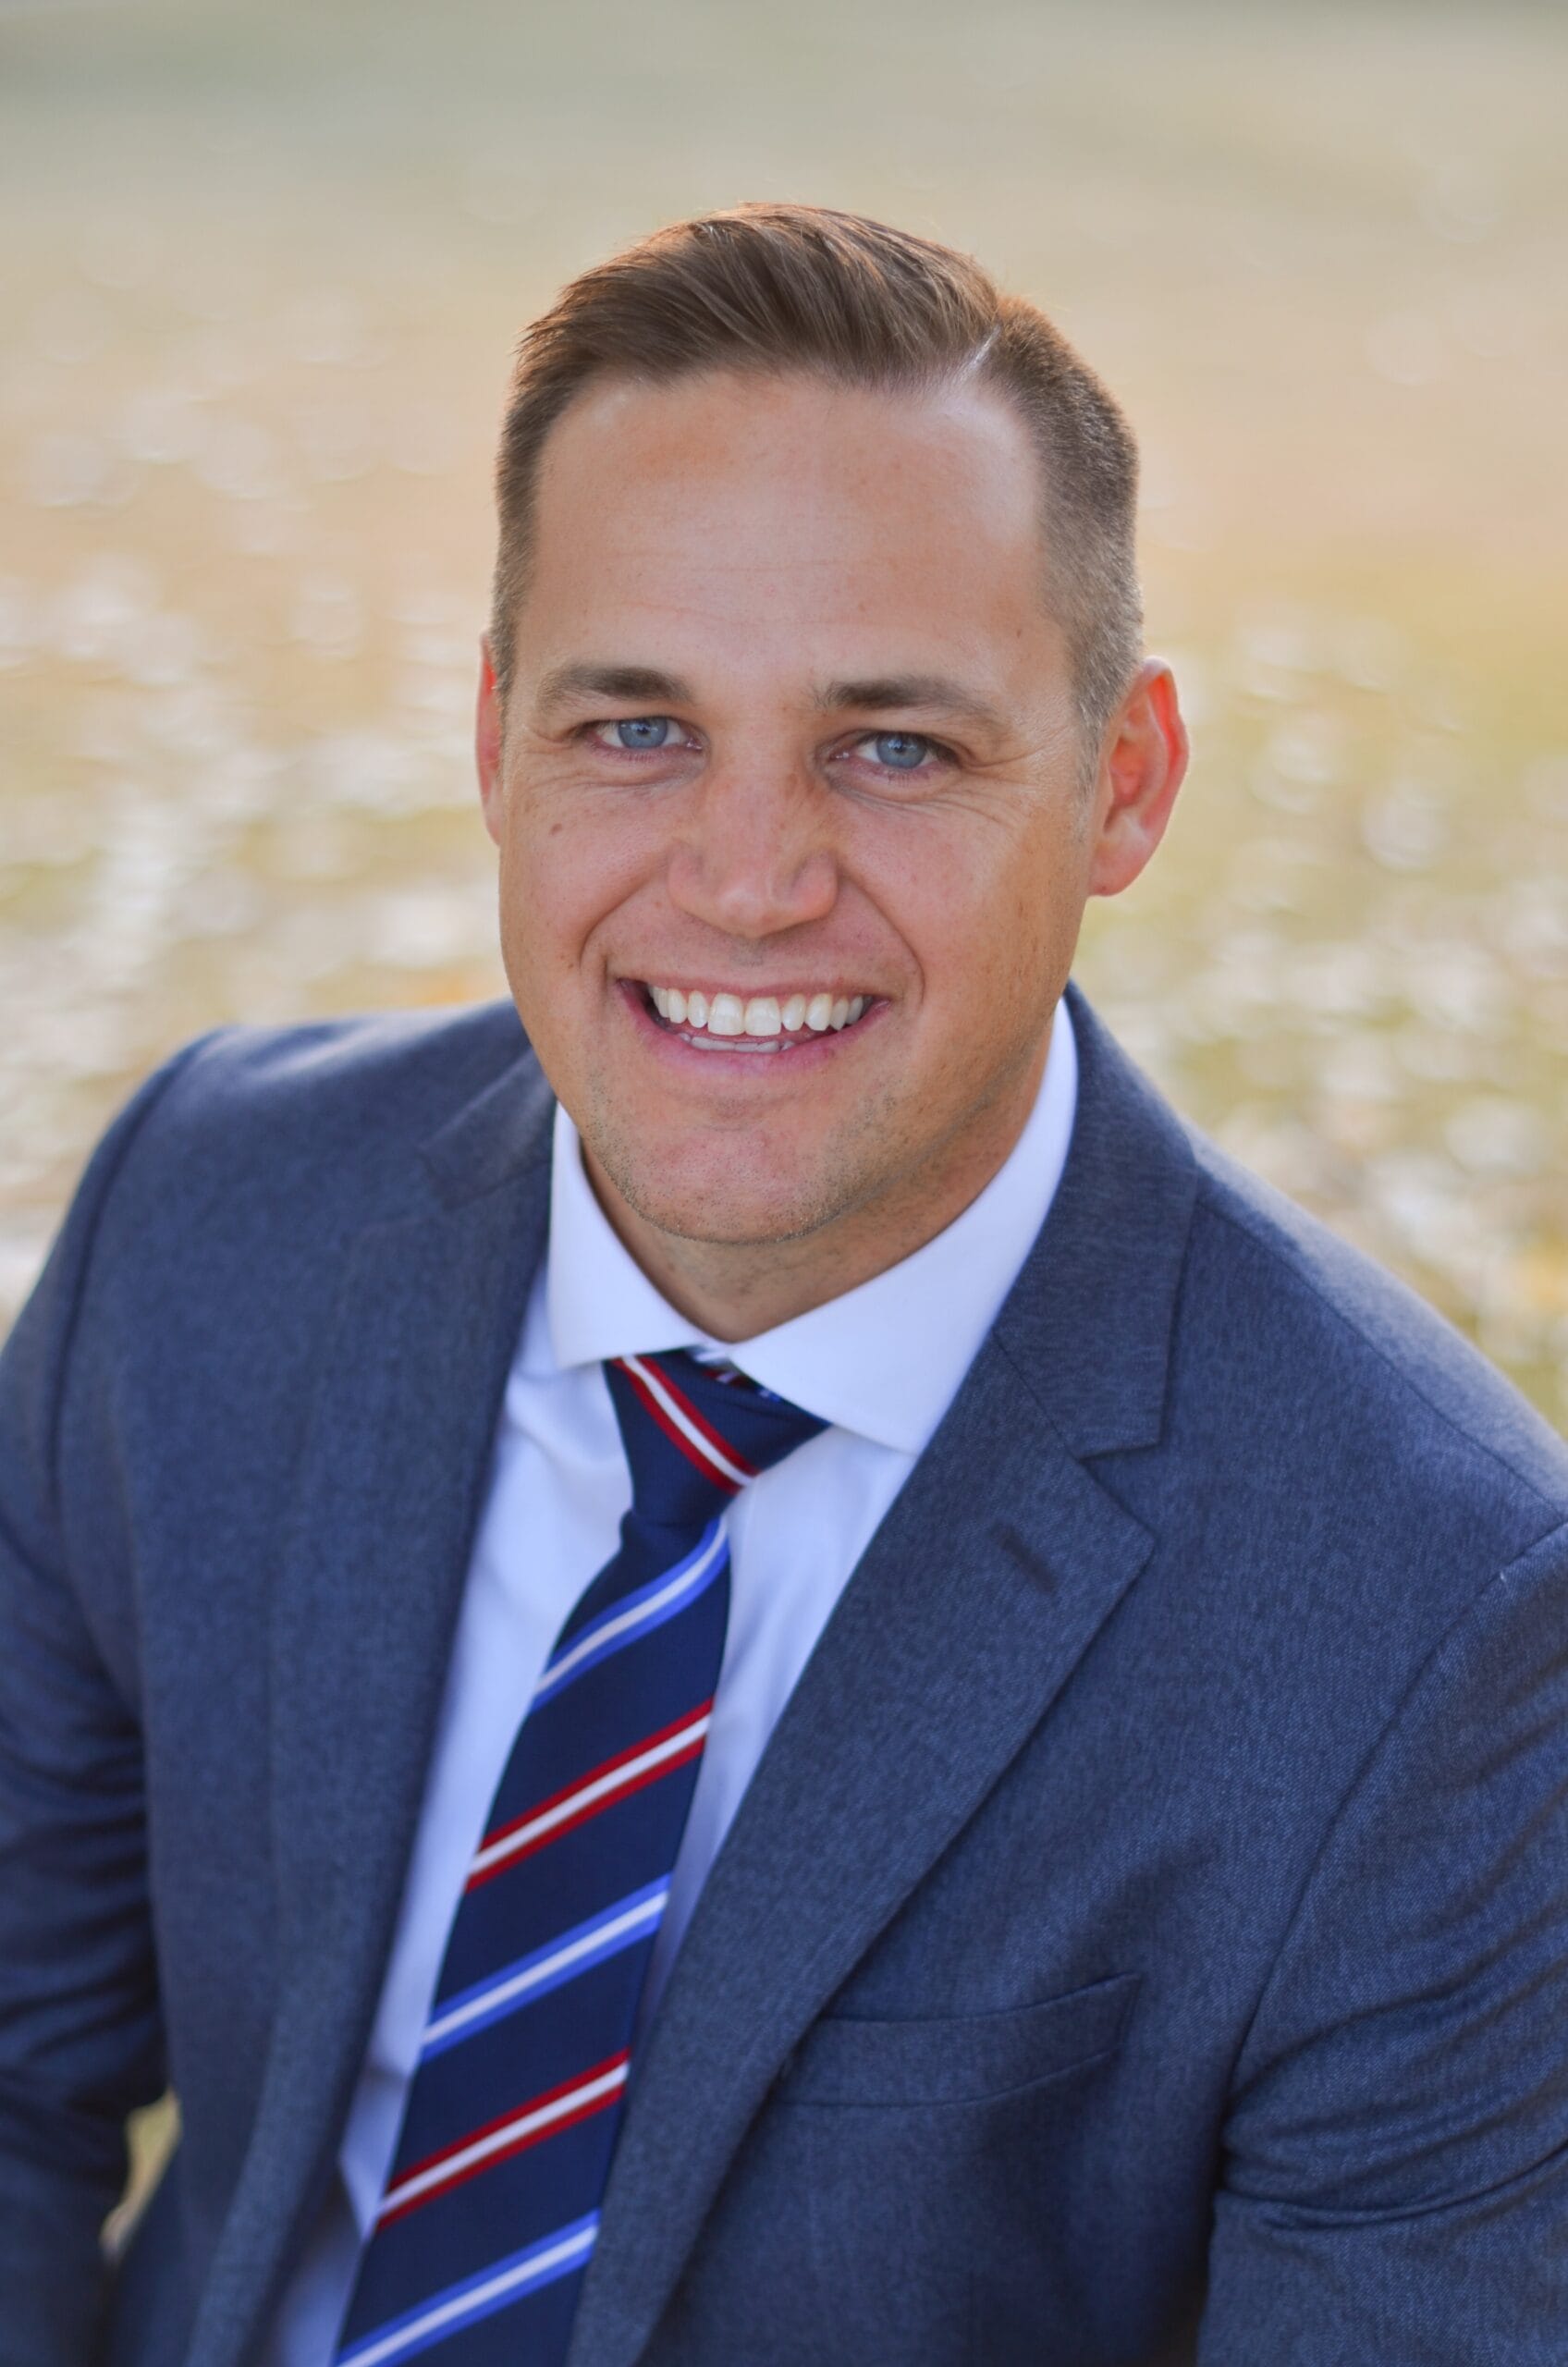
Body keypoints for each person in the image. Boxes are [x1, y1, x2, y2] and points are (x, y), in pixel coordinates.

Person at [2, 202, 1566, 2367]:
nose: (745, 882)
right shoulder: (206, 1227)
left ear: (1121, 784)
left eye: (892, 746)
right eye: (633, 728)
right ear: (489, 741)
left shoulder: (1428, 1605)